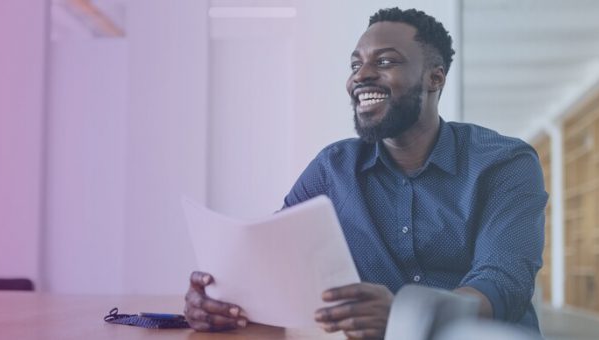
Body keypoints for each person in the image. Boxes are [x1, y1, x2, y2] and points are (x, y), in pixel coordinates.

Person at [184, 7, 547, 338]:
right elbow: (274, 263)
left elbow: (503, 281)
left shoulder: (504, 163)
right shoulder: (333, 169)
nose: (362, 76)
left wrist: (408, 315)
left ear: (434, 79)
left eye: (386, 61)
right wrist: (220, 301)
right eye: (355, 65)